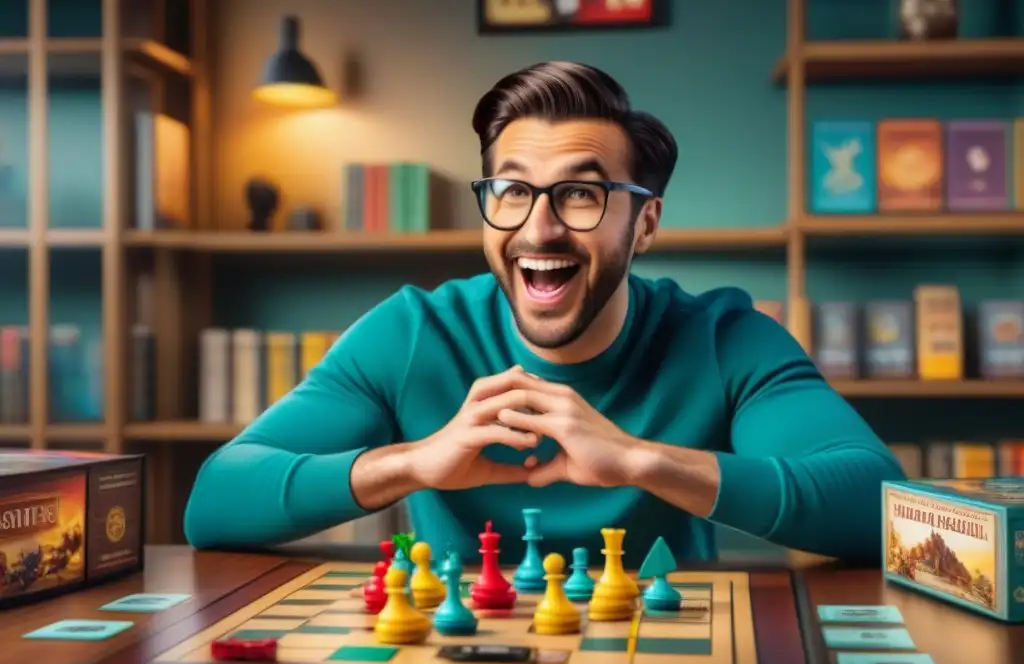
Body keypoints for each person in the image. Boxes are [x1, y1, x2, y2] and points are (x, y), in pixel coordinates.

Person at [183, 61, 904, 568]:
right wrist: (415, 462)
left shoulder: (724, 339)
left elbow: (877, 504)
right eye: (511, 191)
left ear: (645, 223)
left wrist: (641, 460)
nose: (540, 229)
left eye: (582, 195)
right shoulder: (412, 334)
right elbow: (215, 501)